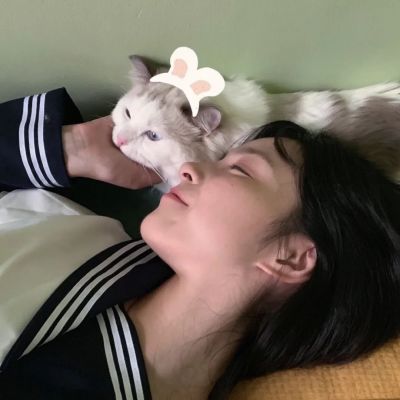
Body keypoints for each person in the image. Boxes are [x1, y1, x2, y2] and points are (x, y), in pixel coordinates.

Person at [0, 88, 399, 400]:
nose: (189, 167)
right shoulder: (79, 227)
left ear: (291, 257)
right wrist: (73, 147)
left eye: (240, 170)